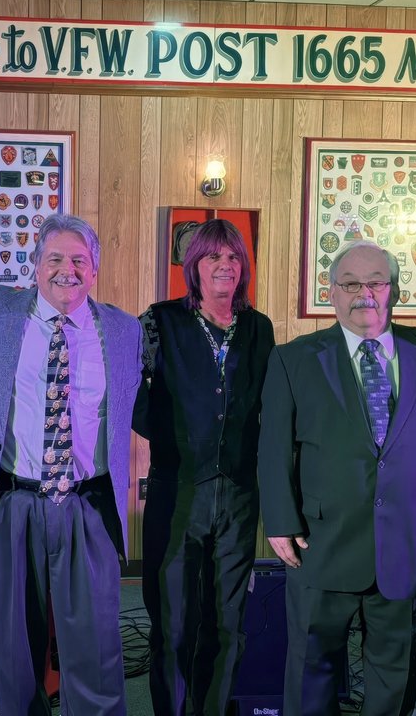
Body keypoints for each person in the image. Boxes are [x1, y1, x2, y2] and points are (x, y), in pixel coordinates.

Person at [0, 214, 141, 715]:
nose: (66, 270)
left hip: (88, 506)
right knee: (15, 654)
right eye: (55, 258)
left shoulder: (124, 330)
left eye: (79, 260)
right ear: (35, 265)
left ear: (94, 270)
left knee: (97, 653)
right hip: (10, 502)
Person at [258, 240, 416, 716]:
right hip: (321, 540)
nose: (365, 294)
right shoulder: (294, 358)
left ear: (394, 290)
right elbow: (273, 447)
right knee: (311, 666)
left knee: (393, 671)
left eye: (376, 283)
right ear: (332, 293)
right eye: (351, 284)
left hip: (403, 541)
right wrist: (279, 521)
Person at [134, 219, 275, 715]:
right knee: (172, 625)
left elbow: (269, 406)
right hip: (177, 493)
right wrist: (173, 437)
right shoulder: (159, 321)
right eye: (213, 256)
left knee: (227, 624)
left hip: (238, 495)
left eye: (233, 257)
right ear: (194, 265)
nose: (225, 265)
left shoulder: (259, 328)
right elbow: (131, 395)